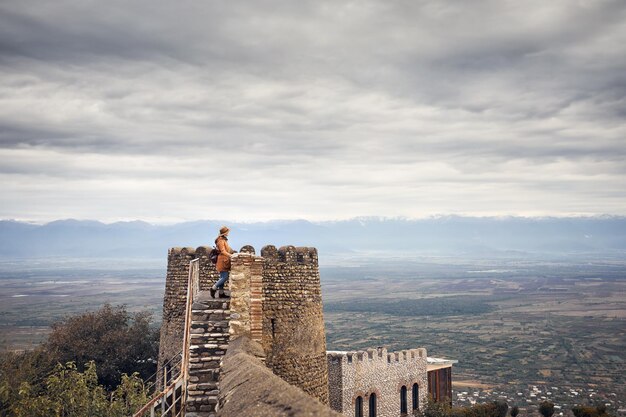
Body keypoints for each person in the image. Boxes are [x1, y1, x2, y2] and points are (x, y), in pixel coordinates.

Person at [211, 226, 235, 298]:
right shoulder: (220, 240)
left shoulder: (224, 239)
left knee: (222, 277)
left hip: (224, 260)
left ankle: (221, 294)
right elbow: (223, 251)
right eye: (227, 232)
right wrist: (231, 256)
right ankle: (213, 288)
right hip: (222, 261)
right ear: (225, 232)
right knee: (225, 277)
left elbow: (227, 249)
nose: (228, 233)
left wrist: (232, 252)